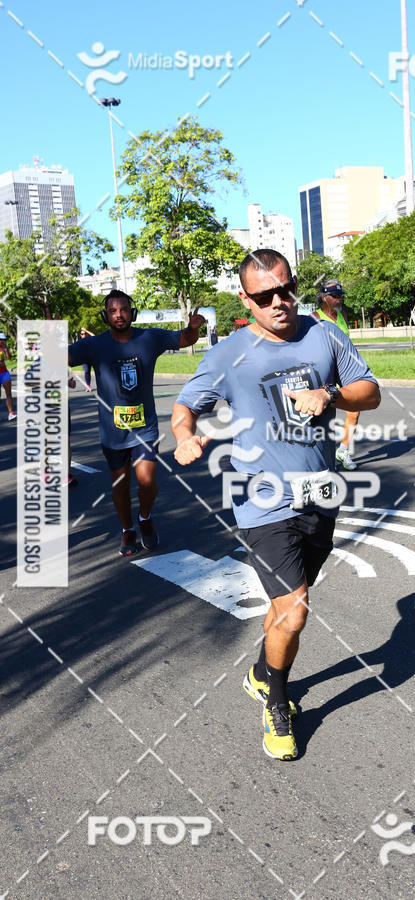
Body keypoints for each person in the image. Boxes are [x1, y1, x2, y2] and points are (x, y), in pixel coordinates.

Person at [171, 249, 380, 761]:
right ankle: (277, 701)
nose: (279, 302)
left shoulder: (324, 333)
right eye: (265, 296)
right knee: (296, 609)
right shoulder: (228, 354)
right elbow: (185, 406)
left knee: (285, 606)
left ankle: (262, 671)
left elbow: (370, 392)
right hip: (260, 498)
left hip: (321, 491)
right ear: (246, 299)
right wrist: (184, 437)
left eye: (285, 290)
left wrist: (330, 395)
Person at [68, 289, 205, 556]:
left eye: (123, 310)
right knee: (120, 485)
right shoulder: (94, 345)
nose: (119, 315)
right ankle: (127, 529)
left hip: (145, 427)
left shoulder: (149, 337)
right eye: (113, 311)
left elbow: (185, 339)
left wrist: (193, 328)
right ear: (105, 315)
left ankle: (144, 517)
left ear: (132, 312)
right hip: (112, 432)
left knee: (146, 481)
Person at [312, 280, 360, 470]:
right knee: (322, 415)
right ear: (324, 297)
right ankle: (320, 458)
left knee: (354, 409)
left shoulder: (342, 315)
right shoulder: (315, 317)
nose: (339, 299)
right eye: (335, 296)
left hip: (344, 370)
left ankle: (344, 450)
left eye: (340, 296)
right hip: (325, 371)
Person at [0, 333, 16, 420]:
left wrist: (6, 349)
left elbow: (9, 358)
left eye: (4, 340)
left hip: (4, 372)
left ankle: (11, 413)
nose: (2, 341)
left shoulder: (4, 348)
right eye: (1, 339)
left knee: (8, 394)